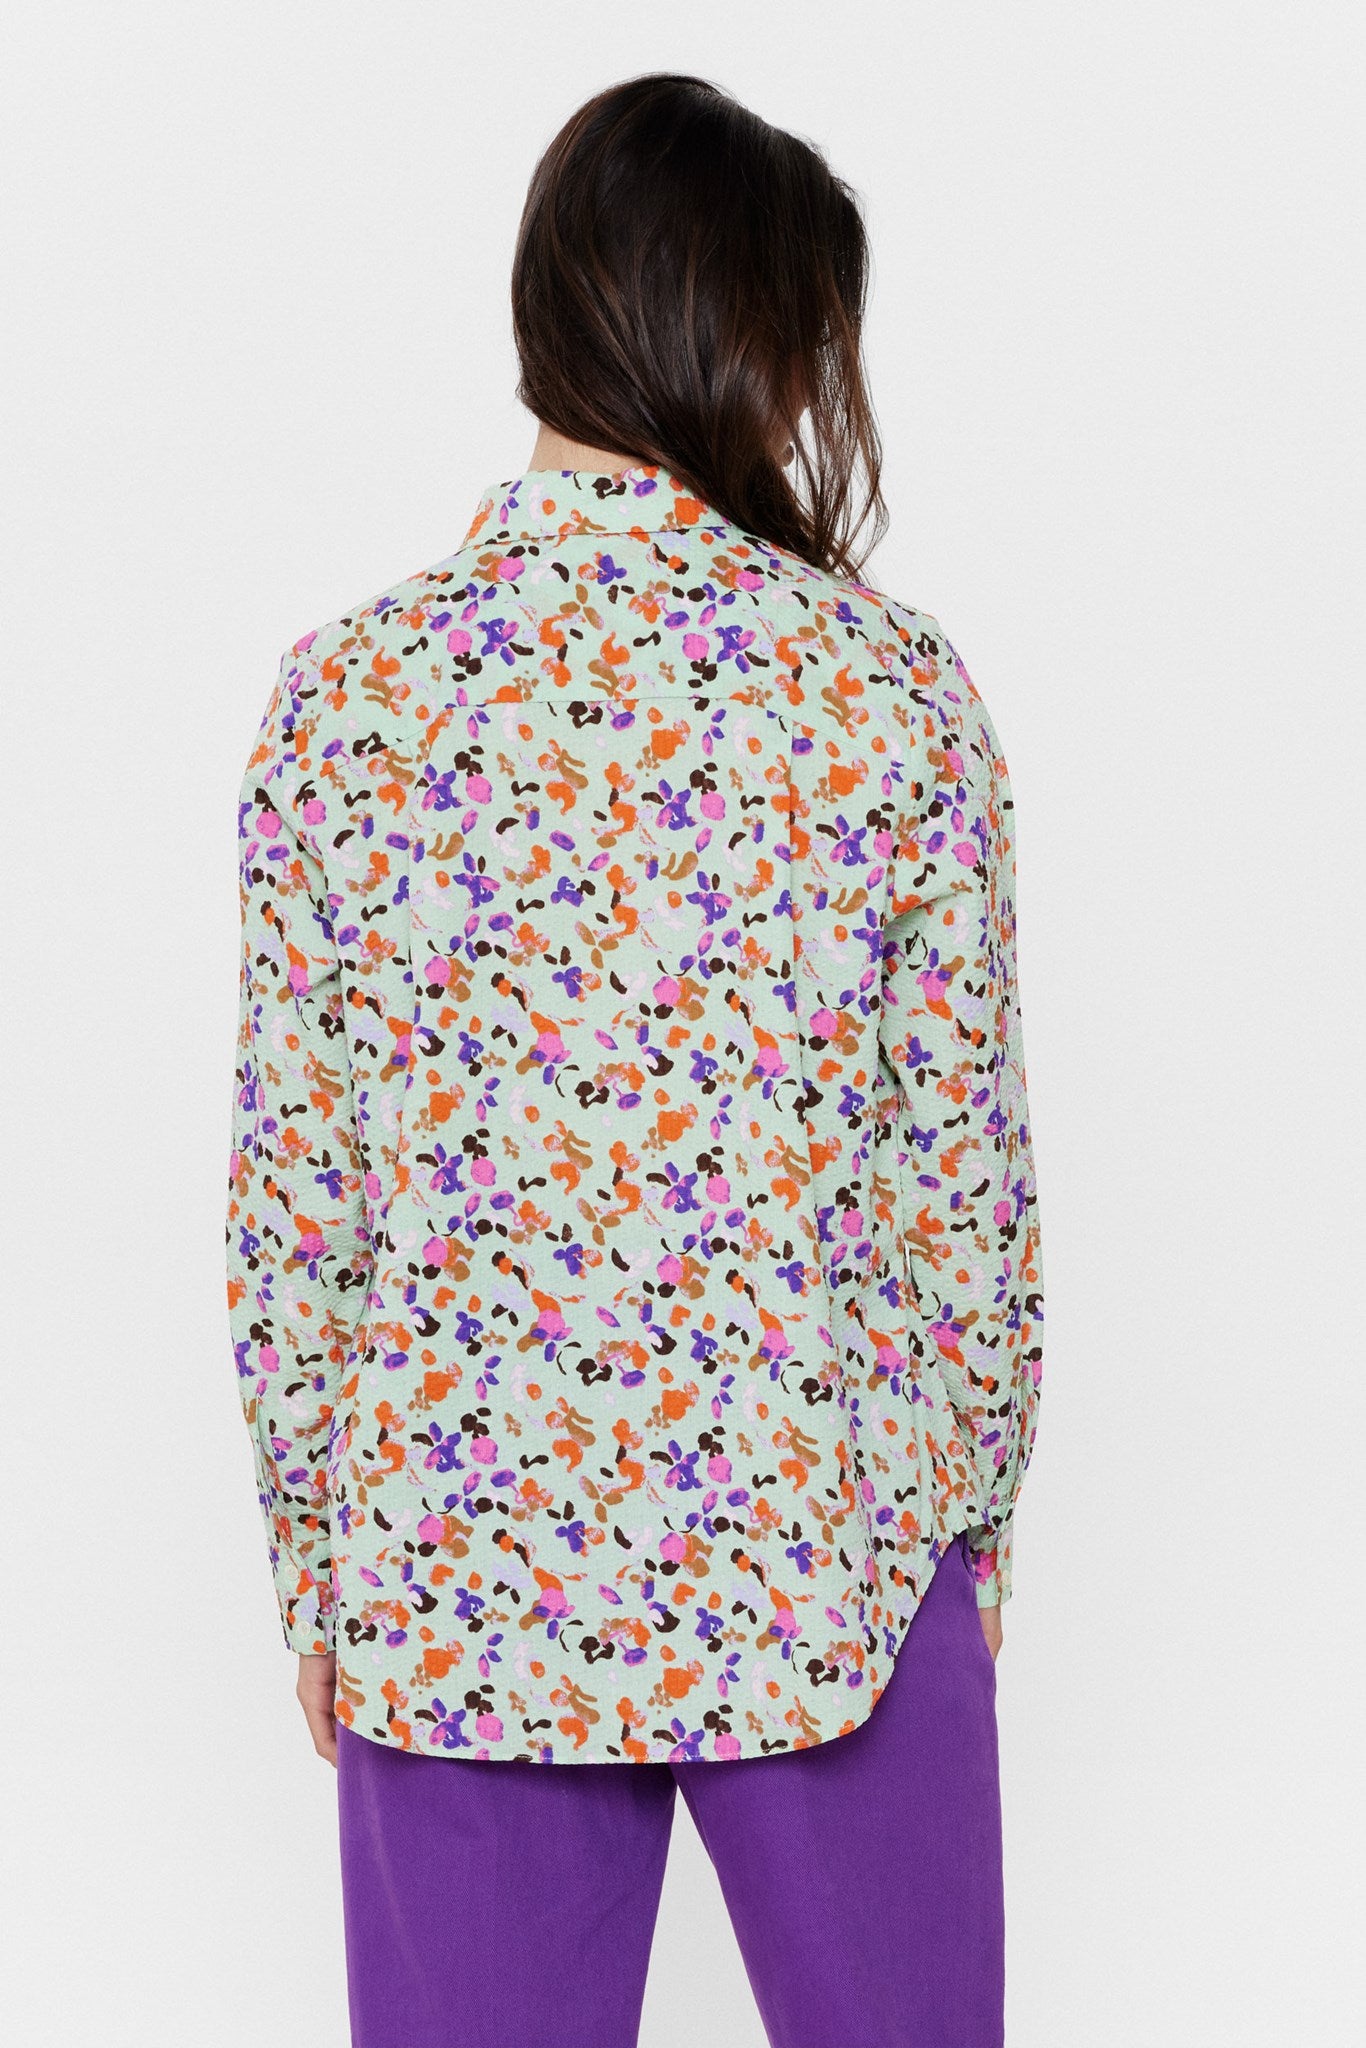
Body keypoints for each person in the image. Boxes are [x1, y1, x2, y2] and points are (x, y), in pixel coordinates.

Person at [225, 70, 1045, 2048]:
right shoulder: (883, 691)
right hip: (827, 1551)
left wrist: (323, 1564)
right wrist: (971, 1529)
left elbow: (297, 1208)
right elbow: (961, 1187)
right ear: (752, 337)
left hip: (457, 1572)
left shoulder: (348, 701)